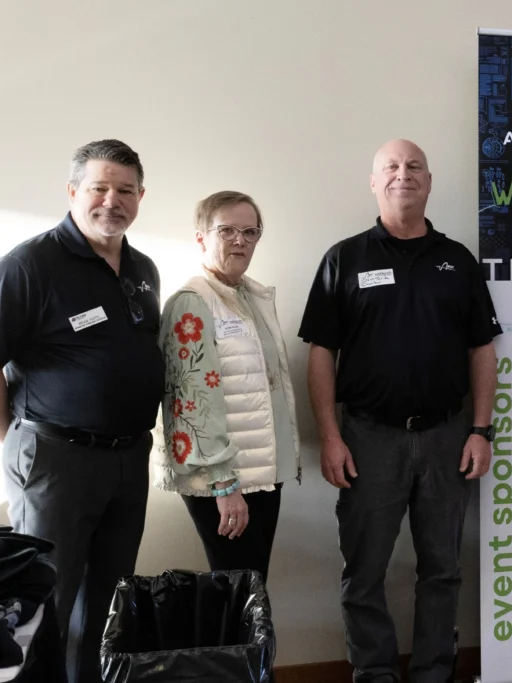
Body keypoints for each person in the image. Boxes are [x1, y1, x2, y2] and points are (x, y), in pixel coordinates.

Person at [299, 139, 501, 683]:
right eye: (391, 167)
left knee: (443, 570)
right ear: (374, 182)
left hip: (446, 436)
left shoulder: (457, 261)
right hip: (367, 439)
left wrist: (481, 429)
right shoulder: (344, 258)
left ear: (430, 182)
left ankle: (433, 672)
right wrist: (330, 435)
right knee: (364, 572)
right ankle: (375, 674)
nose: (403, 175)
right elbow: (321, 353)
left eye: (414, 167)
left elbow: (482, 350)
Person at [0, 139, 162, 683]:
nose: (111, 200)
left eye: (125, 190)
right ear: (73, 191)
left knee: (107, 605)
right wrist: (12, 445)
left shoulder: (143, 269)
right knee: (41, 605)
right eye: (99, 187)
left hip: (128, 459)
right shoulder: (29, 265)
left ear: (141, 196)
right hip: (54, 460)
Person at [154, 191, 300, 581]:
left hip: (258, 473)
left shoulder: (248, 296)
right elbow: (190, 402)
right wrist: (225, 486)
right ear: (201, 237)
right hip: (224, 479)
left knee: (250, 586)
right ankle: (236, 647)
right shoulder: (192, 303)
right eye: (227, 230)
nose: (240, 240)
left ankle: (251, 646)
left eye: (250, 231)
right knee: (235, 589)